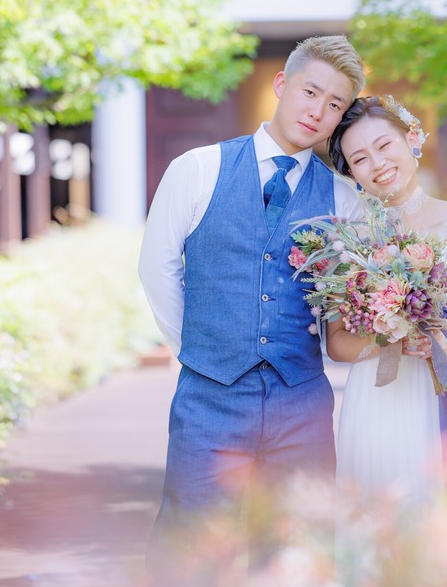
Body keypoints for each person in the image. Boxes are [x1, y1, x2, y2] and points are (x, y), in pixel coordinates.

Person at [137, 35, 365, 582]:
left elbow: (344, 297)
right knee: (190, 547)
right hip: (208, 399)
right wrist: (200, 351)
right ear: (282, 86)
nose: (319, 110)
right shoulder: (198, 168)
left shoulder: (344, 198)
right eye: (311, 92)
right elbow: (157, 269)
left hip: (302, 403)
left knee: (297, 548)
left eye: (335, 104)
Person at [325, 96, 447, 503]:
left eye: (384, 145)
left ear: (411, 138)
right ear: (352, 173)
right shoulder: (350, 242)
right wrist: (388, 339)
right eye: (360, 158)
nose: (377, 164)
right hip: (380, 395)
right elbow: (336, 343)